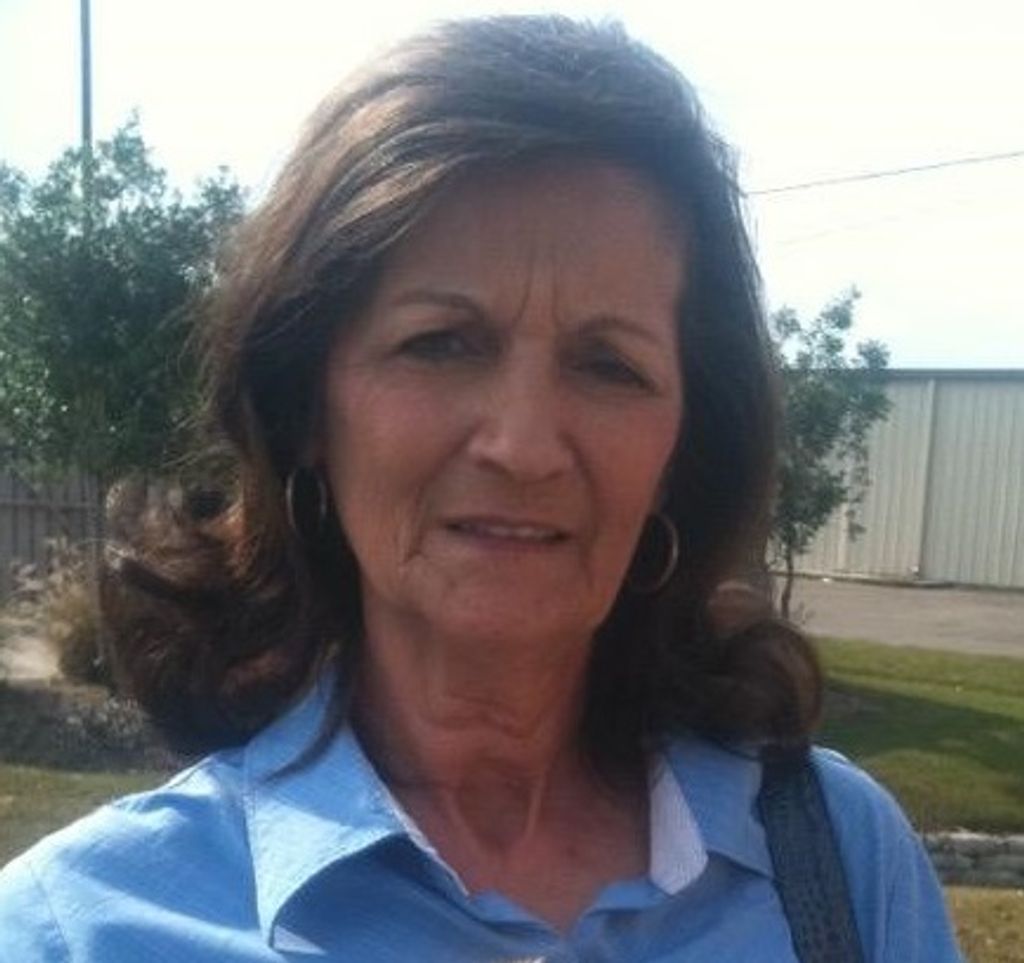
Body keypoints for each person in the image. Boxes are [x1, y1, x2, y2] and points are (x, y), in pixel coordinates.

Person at [0, 15, 962, 961]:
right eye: (442, 343)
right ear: (306, 408)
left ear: (681, 446)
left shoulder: (839, 864)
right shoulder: (74, 931)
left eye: (609, 364)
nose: (524, 445)